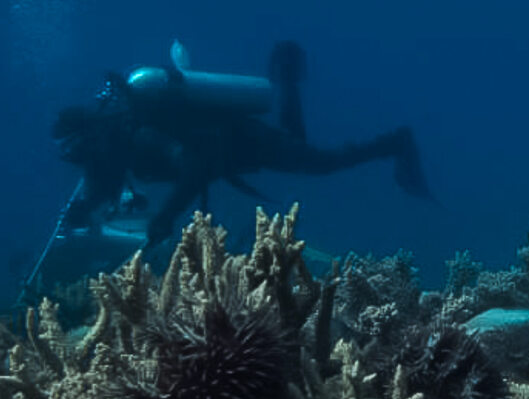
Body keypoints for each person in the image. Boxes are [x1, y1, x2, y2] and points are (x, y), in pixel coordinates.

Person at [52, 40, 435, 247]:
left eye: (77, 151)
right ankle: (287, 77)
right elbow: (100, 188)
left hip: (242, 141)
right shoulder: (109, 152)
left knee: (320, 163)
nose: (79, 161)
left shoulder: (137, 136)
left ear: (91, 136)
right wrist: (80, 213)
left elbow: (194, 164)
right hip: (236, 149)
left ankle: (395, 142)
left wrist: (165, 217)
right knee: (303, 151)